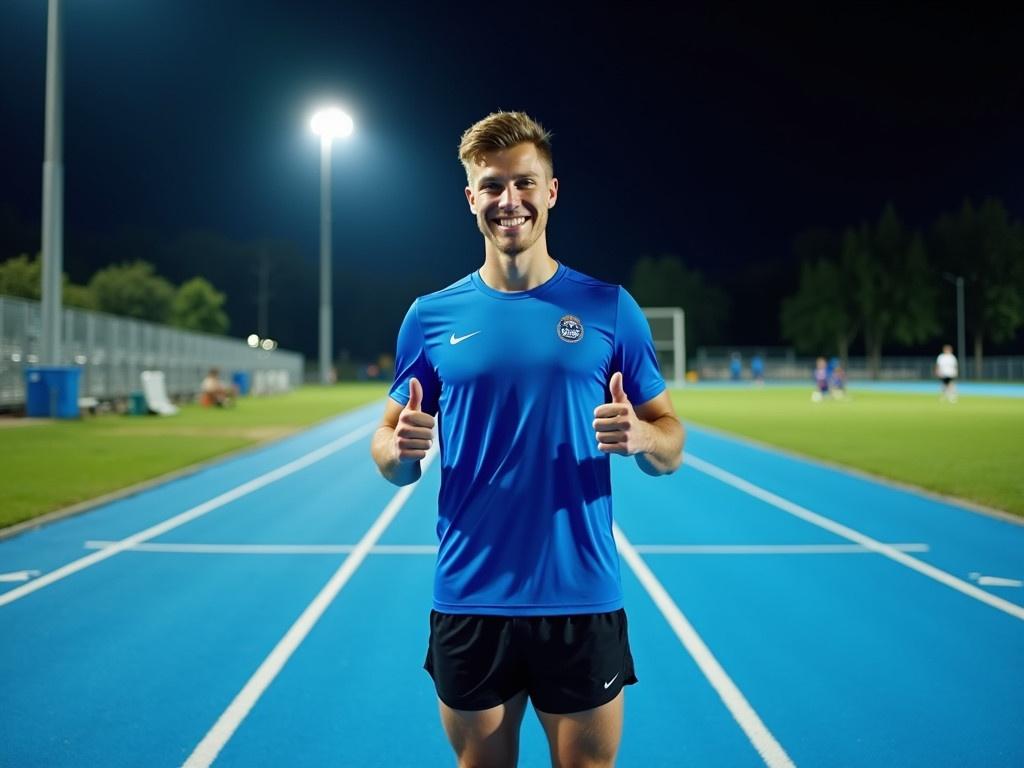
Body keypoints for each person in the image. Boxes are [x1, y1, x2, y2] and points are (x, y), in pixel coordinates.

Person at [371, 111, 684, 768]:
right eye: (491, 186)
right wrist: (399, 454)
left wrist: (641, 439)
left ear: (551, 191)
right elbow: (389, 452)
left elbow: (671, 442)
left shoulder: (608, 308)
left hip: (579, 594)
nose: (508, 201)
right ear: (470, 198)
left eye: (523, 183)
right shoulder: (429, 318)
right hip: (470, 595)